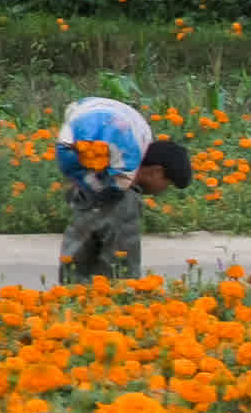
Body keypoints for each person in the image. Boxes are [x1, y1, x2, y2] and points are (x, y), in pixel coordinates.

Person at [55, 94, 190, 283]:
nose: (162, 191)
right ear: (156, 171)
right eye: (166, 185)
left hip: (75, 294)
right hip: (103, 298)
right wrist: (127, 293)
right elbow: (123, 262)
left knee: (77, 263)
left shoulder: (94, 181)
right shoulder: (124, 196)